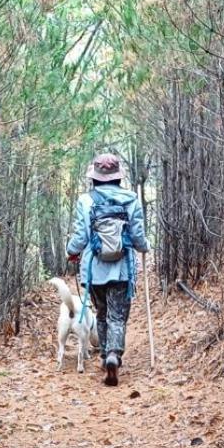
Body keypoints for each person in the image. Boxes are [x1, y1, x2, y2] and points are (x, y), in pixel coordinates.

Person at [67, 153, 149, 386]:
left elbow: (81, 236)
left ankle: (105, 355)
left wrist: (70, 250)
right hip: (122, 268)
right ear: (117, 177)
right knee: (118, 315)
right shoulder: (131, 198)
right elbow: (138, 235)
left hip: (94, 269)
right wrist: (145, 247)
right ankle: (114, 354)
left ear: (95, 178)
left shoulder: (85, 200)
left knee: (101, 313)